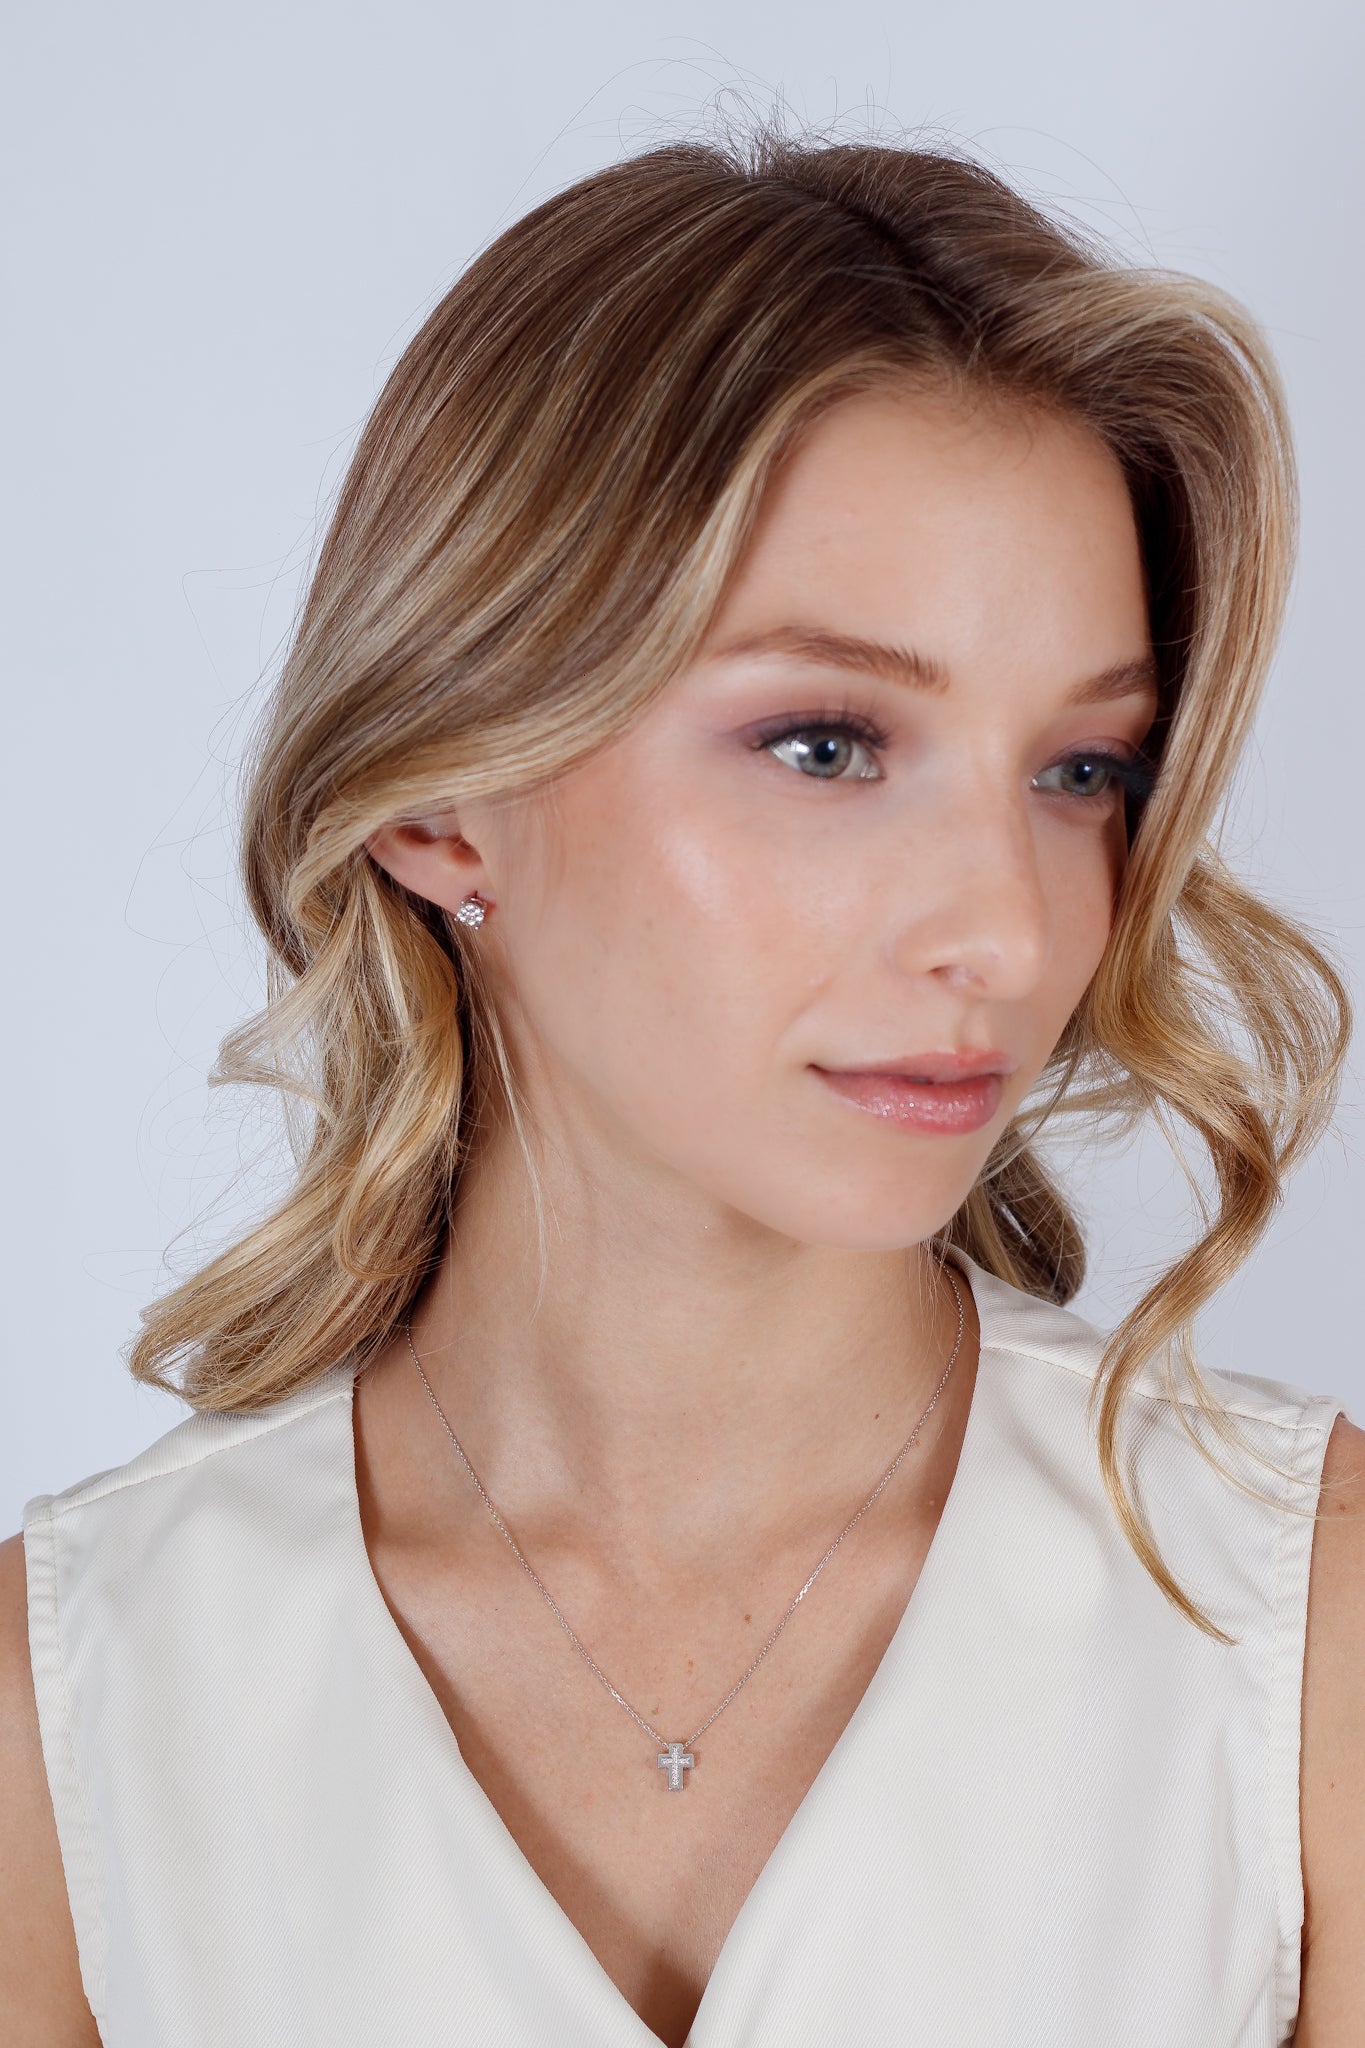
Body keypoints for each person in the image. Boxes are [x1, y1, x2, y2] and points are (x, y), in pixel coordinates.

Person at [2, 124, 1361, 2048]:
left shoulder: (1303, 1636)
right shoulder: (75, 1714)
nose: (1005, 926)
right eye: (827, 745)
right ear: (440, 798)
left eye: (1081, 772)